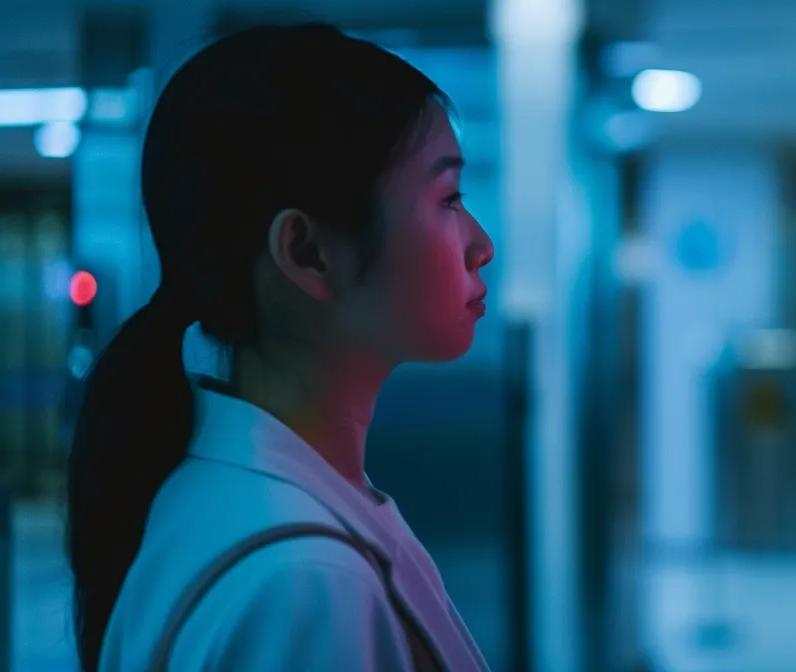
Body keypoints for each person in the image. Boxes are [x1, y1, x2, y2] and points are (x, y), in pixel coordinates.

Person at [64, 24, 493, 671]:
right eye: (448, 198)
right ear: (307, 253)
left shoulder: (225, 491)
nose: (480, 243)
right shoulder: (307, 584)